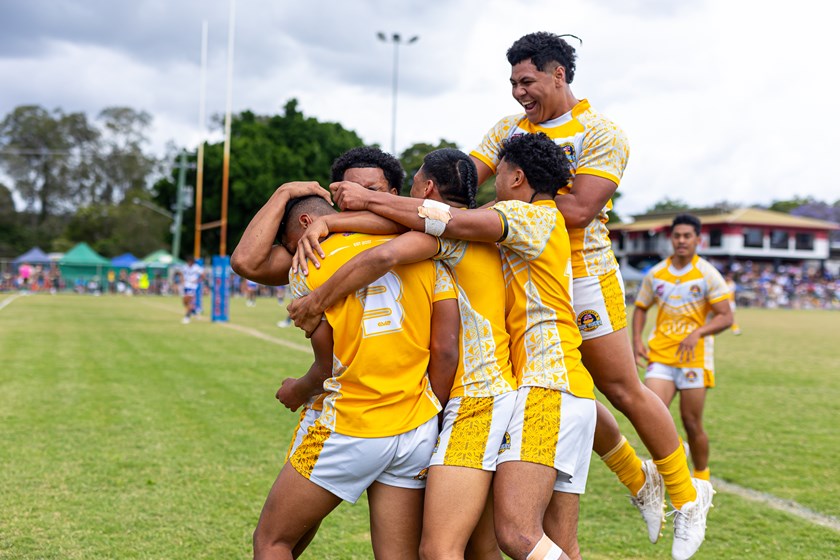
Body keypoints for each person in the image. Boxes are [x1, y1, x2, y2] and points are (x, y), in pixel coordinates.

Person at [469, 31, 711, 558]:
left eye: (527, 80)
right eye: (511, 83)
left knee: (620, 388)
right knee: (560, 387)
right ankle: (636, 477)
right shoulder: (507, 129)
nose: (518, 93)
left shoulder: (603, 133)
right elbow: (466, 179)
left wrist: (489, 218)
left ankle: (690, 495)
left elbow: (578, 211)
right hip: (520, 273)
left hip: (582, 276)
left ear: (559, 74)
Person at [329, 133, 593, 560]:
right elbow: (445, 219)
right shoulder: (506, 227)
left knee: (511, 538)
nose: (495, 181)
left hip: (537, 388)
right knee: (520, 546)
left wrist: (352, 209)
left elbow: (436, 226)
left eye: (502, 171)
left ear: (518, 175)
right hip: (536, 389)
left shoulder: (531, 218)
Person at [288, 148, 517, 560]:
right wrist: (328, 220)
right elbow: (389, 226)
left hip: (469, 402)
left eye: (410, 187)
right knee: (482, 546)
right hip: (497, 392)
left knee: (444, 549)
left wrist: (316, 300)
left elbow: (385, 252)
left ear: (426, 190)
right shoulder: (487, 227)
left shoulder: (441, 236)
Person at [252, 194, 460, 560]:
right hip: (417, 427)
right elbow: (445, 349)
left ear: (304, 226)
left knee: (272, 542)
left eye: (289, 245)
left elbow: (327, 364)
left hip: (354, 423)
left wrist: (295, 390)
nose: (293, 253)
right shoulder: (422, 251)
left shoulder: (307, 265)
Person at [633, 214, 733, 489]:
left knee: (692, 422)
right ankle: (676, 455)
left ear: (697, 240)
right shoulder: (656, 274)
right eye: (677, 236)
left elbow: (726, 317)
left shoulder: (708, 274)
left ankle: (701, 477)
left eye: (687, 236)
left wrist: (698, 333)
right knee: (652, 415)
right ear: (671, 239)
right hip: (661, 355)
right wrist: (636, 341)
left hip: (694, 358)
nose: (681, 241)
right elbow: (641, 307)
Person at [178, 256, 205, 324]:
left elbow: (203, 274)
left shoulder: (196, 267)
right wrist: (182, 280)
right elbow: (180, 273)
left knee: (189, 301)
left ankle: (187, 317)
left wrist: (198, 281)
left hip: (192, 286)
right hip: (185, 286)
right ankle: (194, 312)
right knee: (184, 302)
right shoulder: (185, 266)